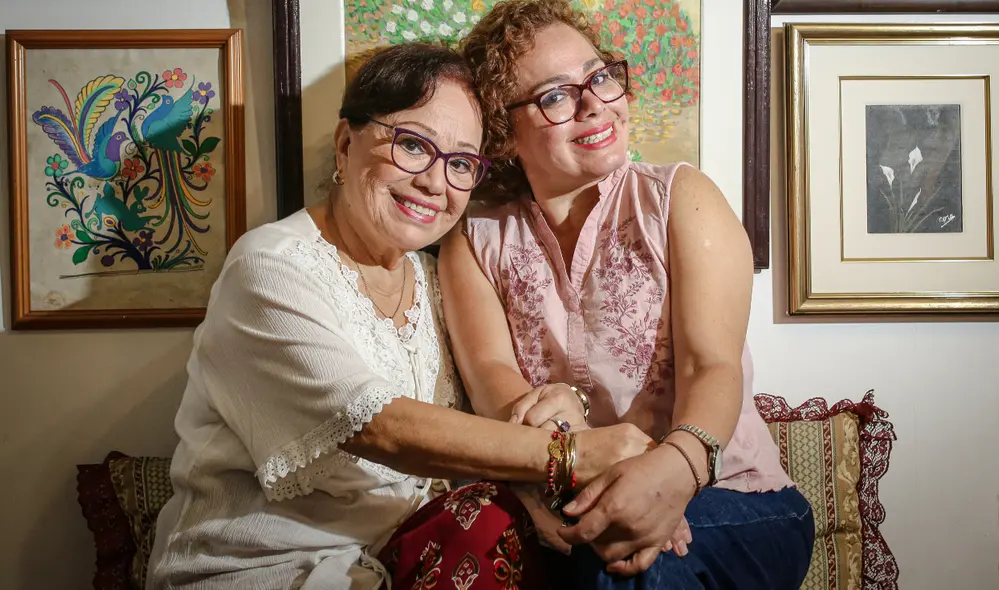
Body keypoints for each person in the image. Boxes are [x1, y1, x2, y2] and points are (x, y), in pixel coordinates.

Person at [145, 42, 652, 590]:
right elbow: (378, 426)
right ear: (345, 144)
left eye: (460, 163)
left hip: (401, 562)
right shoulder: (270, 267)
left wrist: (552, 433)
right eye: (413, 145)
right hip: (264, 572)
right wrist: (569, 454)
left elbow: (478, 430)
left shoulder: (436, 282)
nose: (436, 182)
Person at [438, 0, 816, 587]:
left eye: (600, 76)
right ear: (503, 134)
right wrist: (595, 477)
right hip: (574, 497)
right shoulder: (475, 242)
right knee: (606, 543)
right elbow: (499, 394)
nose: (595, 104)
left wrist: (670, 473)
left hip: (738, 500)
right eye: (556, 96)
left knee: (618, 555)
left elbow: (710, 365)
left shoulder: (681, 200)